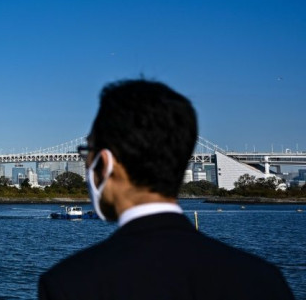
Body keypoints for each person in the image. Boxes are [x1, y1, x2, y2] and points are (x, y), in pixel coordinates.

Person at [39, 79, 294, 300]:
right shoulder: (263, 279)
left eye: (87, 152)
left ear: (105, 164)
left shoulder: (69, 283)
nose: (85, 163)